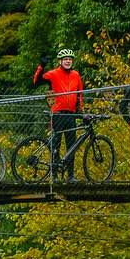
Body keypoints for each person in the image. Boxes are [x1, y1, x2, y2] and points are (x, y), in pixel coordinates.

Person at [32, 48, 84, 179]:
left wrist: (81, 112)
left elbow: (80, 95)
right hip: (58, 114)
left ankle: (70, 176)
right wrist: (41, 66)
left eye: (70, 59)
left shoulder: (76, 75)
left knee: (71, 145)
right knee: (56, 144)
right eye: (65, 59)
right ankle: (54, 175)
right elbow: (36, 82)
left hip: (71, 114)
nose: (68, 61)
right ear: (60, 61)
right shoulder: (53, 74)